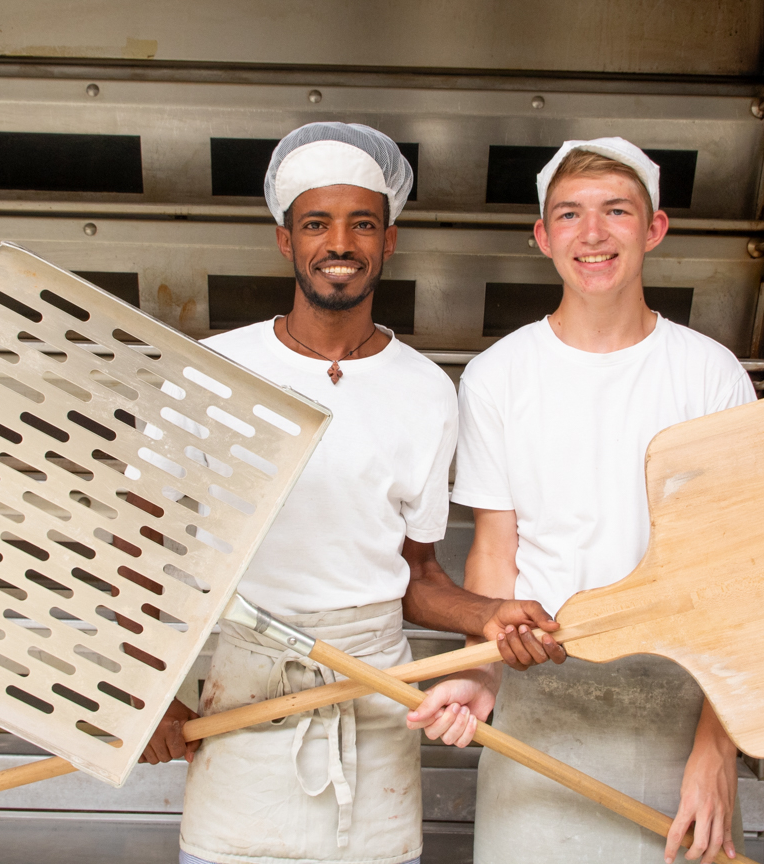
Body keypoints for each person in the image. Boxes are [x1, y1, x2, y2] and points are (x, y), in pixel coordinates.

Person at [138, 122, 559, 864]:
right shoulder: (213, 370)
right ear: (285, 241)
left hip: (375, 699)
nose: (340, 243)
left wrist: (492, 615)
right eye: (317, 224)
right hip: (242, 694)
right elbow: (137, 547)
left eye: (362, 223)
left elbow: (415, 578)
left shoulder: (427, 391)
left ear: (388, 241)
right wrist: (142, 695)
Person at [406, 138, 756, 864]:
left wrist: (718, 753)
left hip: (681, 712)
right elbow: (496, 554)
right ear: (542, 237)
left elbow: (737, 580)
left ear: (654, 228)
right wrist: (478, 670)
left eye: (615, 211)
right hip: (539, 710)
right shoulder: (499, 376)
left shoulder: (711, 376)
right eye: (568, 215)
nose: (592, 234)